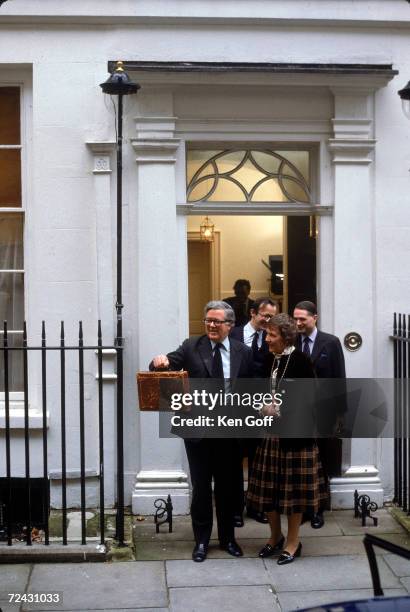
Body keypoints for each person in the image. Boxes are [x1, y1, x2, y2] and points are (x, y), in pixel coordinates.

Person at [150, 300, 253, 562]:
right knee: (201, 487)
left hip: (231, 431)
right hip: (198, 430)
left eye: (217, 321)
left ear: (230, 325)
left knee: (229, 487)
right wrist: (158, 361)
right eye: (208, 320)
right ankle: (202, 541)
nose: (211, 325)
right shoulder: (191, 346)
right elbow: (164, 366)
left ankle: (229, 539)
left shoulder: (243, 351)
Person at [247, 313, 328, 565]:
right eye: (267, 334)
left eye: (272, 335)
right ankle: (275, 537)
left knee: (293, 495)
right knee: (268, 492)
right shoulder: (274, 359)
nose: (267, 340)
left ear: (286, 337)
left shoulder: (301, 361)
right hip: (270, 435)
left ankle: (293, 542)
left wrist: (279, 408)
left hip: (295, 437)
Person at [293, 300, 346, 529]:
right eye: (295, 319)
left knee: (321, 461)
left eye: (302, 319)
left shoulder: (330, 343)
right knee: (301, 461)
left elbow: (339, 379)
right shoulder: (291, 341)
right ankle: (301, 507)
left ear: (315, 317)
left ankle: (318, 509)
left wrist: (339, 414)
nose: (298, 323)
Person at [230, 297, 279, 525]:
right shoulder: (234, 335)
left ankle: (256, 506)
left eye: (272, 317)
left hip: (263, 407)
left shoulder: (272, 338)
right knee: (236, 459)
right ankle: (235, 509)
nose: (267, 321)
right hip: (238, 405)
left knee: (259, 459)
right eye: (265, 316)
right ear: (253, 313)